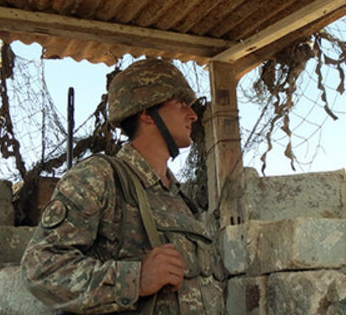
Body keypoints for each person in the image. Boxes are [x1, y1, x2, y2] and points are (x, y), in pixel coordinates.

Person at [21, 59, 226, 315]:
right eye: (180, 103)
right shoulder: (100, 177)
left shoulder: (180, 198)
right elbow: (41, 269)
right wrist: (134, 280)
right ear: (146, 112)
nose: (193, 114)